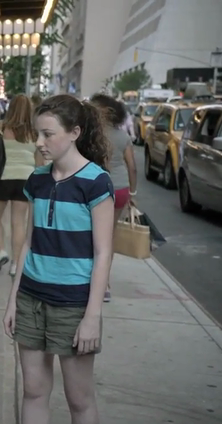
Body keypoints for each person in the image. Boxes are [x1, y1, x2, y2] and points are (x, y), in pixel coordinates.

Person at [3, 95, 114, 424]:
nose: (39, 142)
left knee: (79, 399)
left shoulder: (95, 182)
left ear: (74, 133)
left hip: (72, 304)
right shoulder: (37, 180)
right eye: (38, 133)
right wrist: (13, 299)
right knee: (33, 391)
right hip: (31, 299)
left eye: (48, 134)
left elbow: (103, 252)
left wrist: (92, 316)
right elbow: (28, 243)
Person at [0, 94, 44, 276]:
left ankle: (1, 250)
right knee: (18, 222)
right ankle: (16, 263)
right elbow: (39, 163)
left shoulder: (1, 127)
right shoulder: (35, 133)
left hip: (2, 179)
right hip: (25, 181)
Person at [90, 93, 138, 301]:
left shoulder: (92, 135)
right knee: (109, 236)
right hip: (120, 189)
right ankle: (105, 284)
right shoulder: (123, 136)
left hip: (96, 189)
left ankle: (91, 280)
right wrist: (133, 193)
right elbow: (132, 167)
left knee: (92, 235)